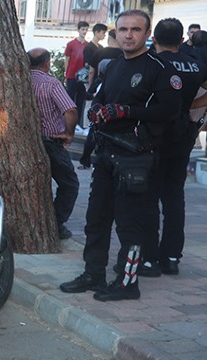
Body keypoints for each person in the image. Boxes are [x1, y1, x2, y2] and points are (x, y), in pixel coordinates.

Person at [59, 10, 182, 302]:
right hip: (105, 152)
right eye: (123, 30)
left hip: (136, 157)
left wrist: (127, 111)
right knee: (96, 219)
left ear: (147, 34)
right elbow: (100, 94)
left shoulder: (159, 68)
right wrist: (96, 107)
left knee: (130, 224)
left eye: (135, 30)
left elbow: (169, 110)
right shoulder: (113, 65)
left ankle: (128, 284)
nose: (128, 35)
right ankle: (93, 274)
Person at [139, 19, 207, 277]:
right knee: (174, 198)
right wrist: (191, 105)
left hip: (154, 135)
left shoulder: (152, 63)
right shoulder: (196, 64)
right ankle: (171, 257)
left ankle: (149, 258)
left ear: (153, 38)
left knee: (149, 198)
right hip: (182, 135)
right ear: (181, 40)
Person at [28, 48, 80, 240]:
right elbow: (70, 110)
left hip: (27, 143)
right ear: (48, 63)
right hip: (51, 141)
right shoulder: (51, 83)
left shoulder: (18, 81)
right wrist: (69, 133)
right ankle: (56, 224)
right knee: (70, 184)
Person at [80, 29, 124, 169]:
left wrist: (91, 89)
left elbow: (92, 71)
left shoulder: (100, 53)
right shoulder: (124, 54)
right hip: (118, 94)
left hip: (100, 91)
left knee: (95, 127)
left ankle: (86, 160)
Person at [65, 21, 89, 125]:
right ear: (78, 30)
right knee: (69, 100)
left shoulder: (88, 46)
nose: (84, 31)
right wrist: (66, 75)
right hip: (71, 75)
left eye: (86, 29)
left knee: (80, 100)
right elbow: (67, 59)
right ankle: (67, 122)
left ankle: (77, 123)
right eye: (83, 29)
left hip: (83, 78)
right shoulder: (71, 44)